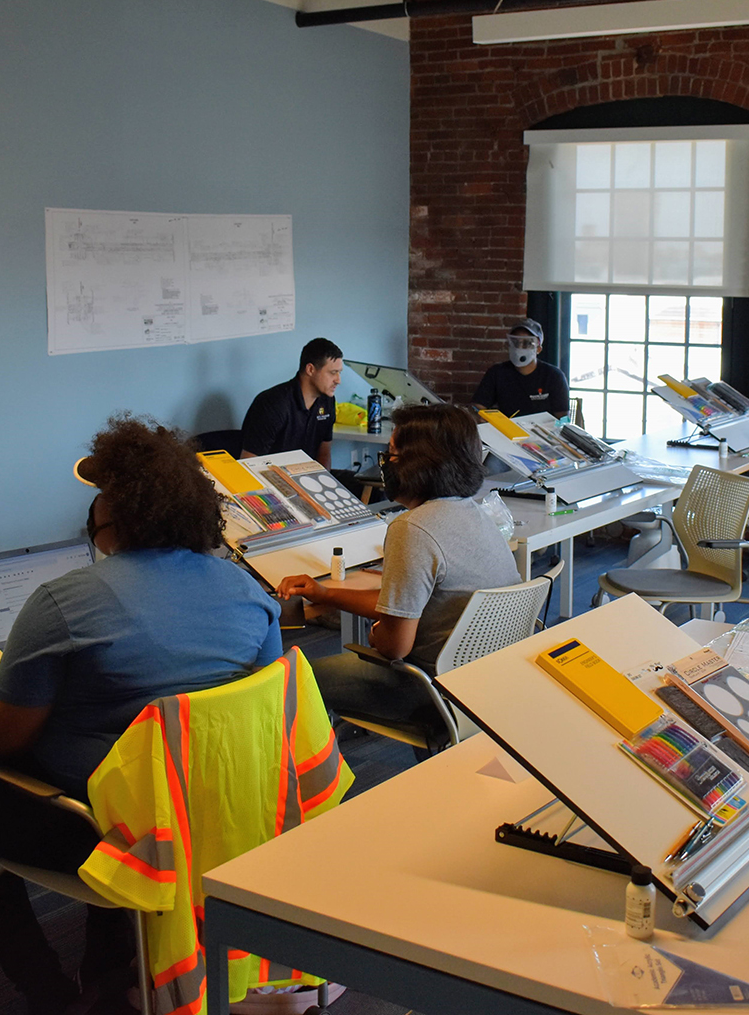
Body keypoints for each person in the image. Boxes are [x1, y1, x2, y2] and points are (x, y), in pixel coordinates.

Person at [0, 414, 282, 1014]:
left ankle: (50, 994)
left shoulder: (65, 601)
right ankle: (112, 969)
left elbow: (6, 738)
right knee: (126, 776)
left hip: (120, 828)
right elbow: (262, 712)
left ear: (112, 517)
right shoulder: (247, 592)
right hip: (225, 810)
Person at [277, 404, 521, 749]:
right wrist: (325, 593)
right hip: (483, 678)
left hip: (428, 687)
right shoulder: (473, 514)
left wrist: (378, 634)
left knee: (295, 680)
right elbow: (402, 603)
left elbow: (395, 645)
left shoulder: (413, 528)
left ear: (419, 463)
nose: (385, 463)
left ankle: (315, 784)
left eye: (391, 454)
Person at [241, 337, 342, 467]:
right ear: (310, 369)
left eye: (339, 373)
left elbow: (324, 454)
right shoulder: (273, 404)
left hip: (308, 476)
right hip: (274, 479)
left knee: (359, 482)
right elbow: (249, 463)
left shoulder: (327, 401)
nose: (338, 380)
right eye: (333, 373)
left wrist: (325, 484)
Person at [472, 317, 570, 418]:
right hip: (506, 431)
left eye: (527, 343)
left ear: (538, 349)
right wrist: (482, 417)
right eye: (515, 342)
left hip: (543, 432)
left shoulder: (554, 376)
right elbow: (478, 406)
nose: (520, 347)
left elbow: (562, 417)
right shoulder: (497, 373)